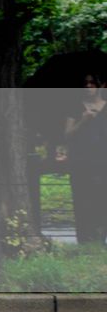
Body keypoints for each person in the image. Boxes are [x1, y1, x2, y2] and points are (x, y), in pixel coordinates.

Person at [64, 73, 106, 246]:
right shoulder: (75, 107)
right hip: (81, 162)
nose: (88, 87)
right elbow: (67, 135)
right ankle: (85, 240)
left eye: (92, 83)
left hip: (103, 162)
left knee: (102, 199)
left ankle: (100, 237)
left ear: (100, 85)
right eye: (85, 84)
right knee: (83, 200)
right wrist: (83, 120)